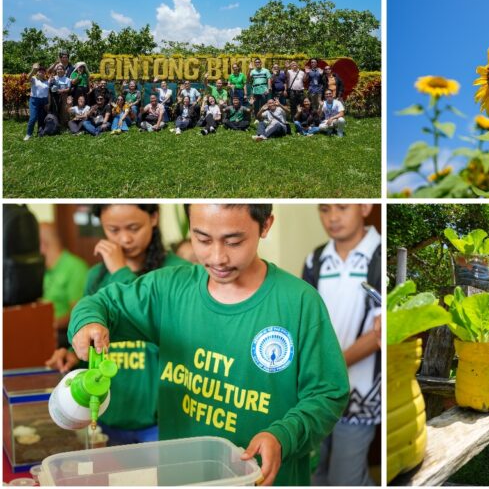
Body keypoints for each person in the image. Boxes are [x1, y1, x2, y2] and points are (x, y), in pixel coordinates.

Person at [66, 204, 349, 485]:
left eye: (234, 241)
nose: (217, 257)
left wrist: (284, 435)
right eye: (202, 239)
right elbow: (102, 303)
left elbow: (327, 393)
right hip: (184, 478)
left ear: (265, 226)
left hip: (262, 478)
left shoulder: (299, 302)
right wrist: (89, 321)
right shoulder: (168, 290)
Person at [47, 204, 190, 446]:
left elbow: (167, 331)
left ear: (154, 218)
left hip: (158, 421)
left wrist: (120, 270)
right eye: (113, 230)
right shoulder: (96, 276)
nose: (124, 238)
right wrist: (74, 355)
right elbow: (91, 336)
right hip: (105, 415)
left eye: (134, 228)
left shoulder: (178, 273)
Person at [303, 204, 381, 487]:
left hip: (360, 396)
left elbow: (378, 334)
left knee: (345, 478)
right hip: (316, 393)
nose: (332, 217)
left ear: (365, 207)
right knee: (314, 473)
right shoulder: (315, 261)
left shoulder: (379, 256)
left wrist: (331, 365)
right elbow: (305, 322)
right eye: (324, 210)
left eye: (341, 208)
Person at [39, 223, 88, 348]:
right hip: (43, 331)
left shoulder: (75, 268)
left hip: (63, 335)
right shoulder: (39, 268)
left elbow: (78, 314)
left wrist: (46, 325)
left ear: (42, 244)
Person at [25, 63, 50, 141]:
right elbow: (28, 77)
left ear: (45, 73)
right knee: (33, 118)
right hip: (34, 100)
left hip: (44, 101)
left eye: (43, 72)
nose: (41, 73)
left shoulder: (46, 82)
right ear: (37, 73)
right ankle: (28, 134)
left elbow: (48, 93)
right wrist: (33, 69)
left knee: (42, 118)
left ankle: (40, 132)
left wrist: (48, 102)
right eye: (40, 72)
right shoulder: (34, 79)